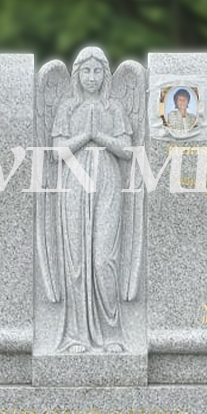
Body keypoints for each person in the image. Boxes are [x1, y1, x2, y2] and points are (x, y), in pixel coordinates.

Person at [51, 46, 131, 353]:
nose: (92, 77)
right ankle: (76, 336)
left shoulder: (114, 108)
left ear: (106, 74)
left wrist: (101, 136)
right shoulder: (68, 108)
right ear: (77, 74)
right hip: (74, 179)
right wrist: (86, 136)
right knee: (76, 261)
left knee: (104, 260)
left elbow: (126, 149)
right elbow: (58, 152)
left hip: (109, 180)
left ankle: (112, 335)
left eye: (98, 71)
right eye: (86, 71)